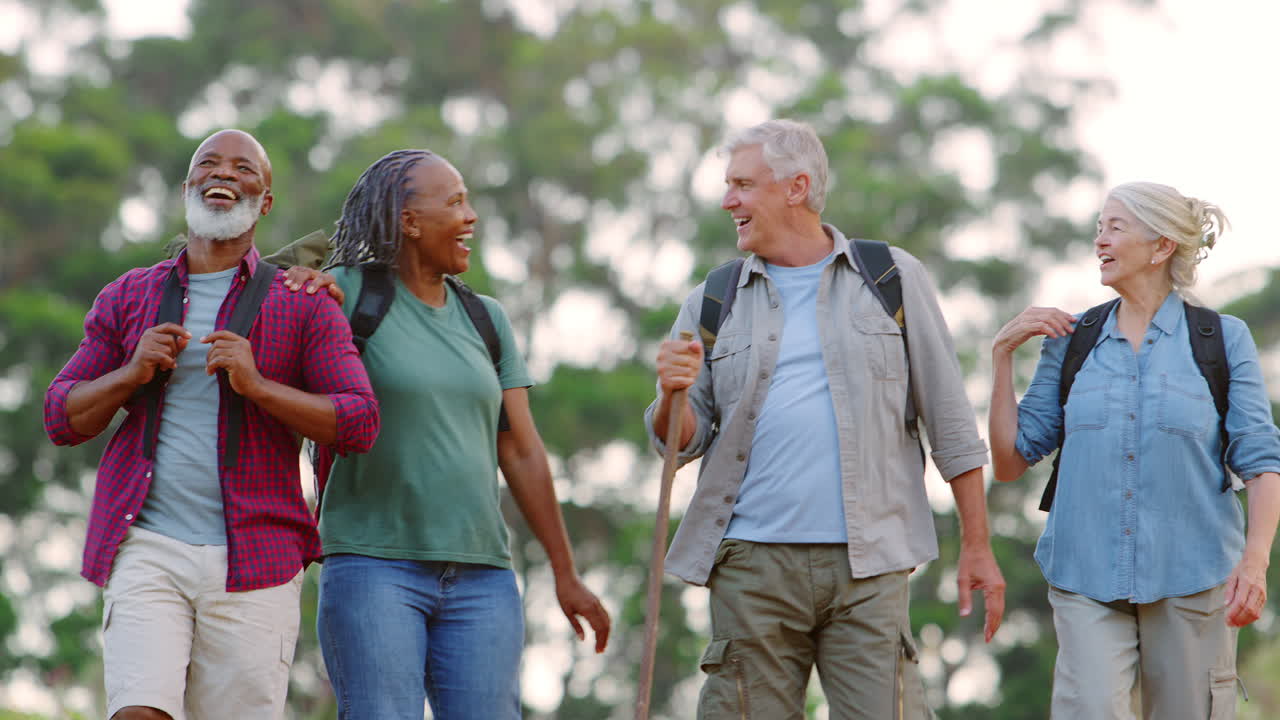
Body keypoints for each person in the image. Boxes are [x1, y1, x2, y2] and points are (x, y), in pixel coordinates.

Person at [644, 119, 1005, 719]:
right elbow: (680, 443)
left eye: (742, 184)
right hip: (750, 566)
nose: (727, 200)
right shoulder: (713, 297)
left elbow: (950, 423)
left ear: (795, 187)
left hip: (870, 565)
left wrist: (978, 544)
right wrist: (670, 392)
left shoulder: (890, 278)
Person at [42, 129, 380, 720]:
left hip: (257, 558)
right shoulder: (129, 295)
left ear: (266, 200)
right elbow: (61, 414)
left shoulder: (303, 302)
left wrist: (258, 386)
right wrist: (130, 373)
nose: (224, 173)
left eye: (244, 167)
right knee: (138, 712)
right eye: (209, 163)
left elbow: (359, 420)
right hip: (147, 545)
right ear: (188, 186)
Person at [281, 148, 611, 719]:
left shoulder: (487, 319)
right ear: (408, 222)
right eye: (455, 202)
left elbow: (522, 450)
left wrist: (565, 573)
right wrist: (300, 283)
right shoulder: (344, 295)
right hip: (373, 566)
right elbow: (263, 319)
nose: (471, 216)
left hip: (482, 576)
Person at [989, 181, 1280, 719]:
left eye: (1115, 227)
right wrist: (1002, 356)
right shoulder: (1072, 340)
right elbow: (1010, 461)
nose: (1100, 239)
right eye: (1099, 227)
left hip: (1194, 576)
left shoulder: (1222, 339)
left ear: (1162, 245)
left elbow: (1260, 461)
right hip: (1085, 577)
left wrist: (1255, 563)